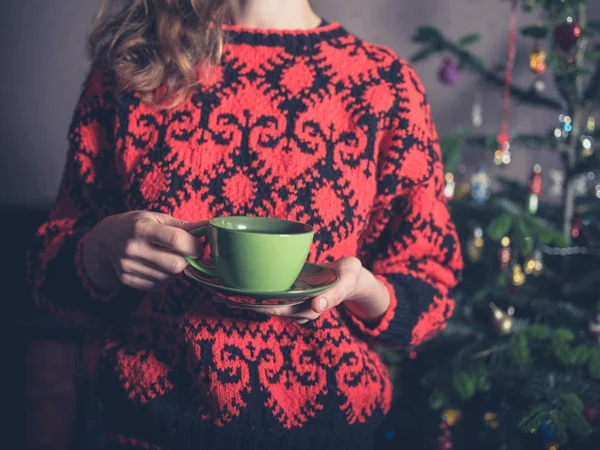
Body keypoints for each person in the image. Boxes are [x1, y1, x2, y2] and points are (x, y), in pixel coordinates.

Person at [28, 0, 463, 449]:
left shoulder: (383, 84)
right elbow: (45, 273)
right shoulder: (132, 66)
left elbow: (432, 284)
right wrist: (99, 252)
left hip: (331, 433)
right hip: (145, 432)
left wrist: (364, 290)